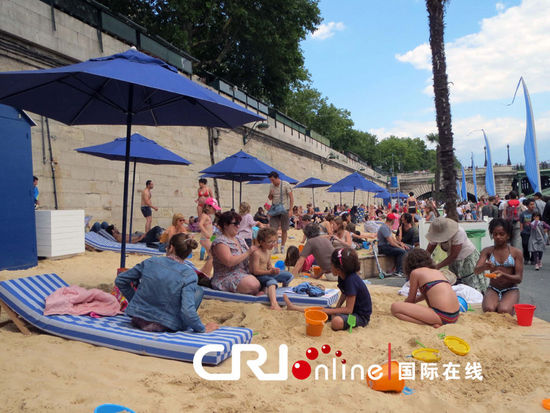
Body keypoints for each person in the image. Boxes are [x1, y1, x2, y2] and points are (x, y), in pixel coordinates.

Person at [115, 234, 218, 333]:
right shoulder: (189, 275)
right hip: (166, 324)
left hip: (137, 317)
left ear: (171, 247)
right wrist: (202, 328)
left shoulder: (151, 261)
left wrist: (135, 302)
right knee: (198, 291)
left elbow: (121, 280)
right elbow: (187, 310)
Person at [284, 248, 372, 331]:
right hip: (351, 312)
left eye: (331, 264)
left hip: (360, 316)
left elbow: (349, 309)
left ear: (338, 269)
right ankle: (294, 307)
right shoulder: (342, 276)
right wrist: (336, 308)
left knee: (336, 322)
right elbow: (344, 293)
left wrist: (332, 311)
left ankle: (335, 316)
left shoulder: (351, 280)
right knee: (320, 311)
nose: (330, 266)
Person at [391, 248, 460, 327]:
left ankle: (429, 324)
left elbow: (411, 300)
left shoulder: (415, 273)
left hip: (442, 316)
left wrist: (404, 305)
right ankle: (434, 322)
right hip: (454, 316)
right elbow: (427, 294)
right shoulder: (436, 272)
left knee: (395, 307)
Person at [425, 217, 488, 293]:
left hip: (467, 259)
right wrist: (424, 262)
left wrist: (437, 266)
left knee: (472, 286)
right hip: (454, 262)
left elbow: (453, 255)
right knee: (456, 286)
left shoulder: (459, 232)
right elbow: (429, 250)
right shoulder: (435, 234)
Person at [474, 218, 523, 314]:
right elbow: (476, 271)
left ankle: (506, 302)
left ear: (508, 235)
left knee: (504, 310)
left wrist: (503, 275)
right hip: (493, 288)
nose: (498, 237)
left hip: (511, 289)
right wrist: (484, 267)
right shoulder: (487, 251)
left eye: (501, 234)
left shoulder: (516, 253)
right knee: (489, 309)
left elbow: (519, 278)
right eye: (495, 234)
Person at [210, 211, 261, 294]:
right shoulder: (220, 242)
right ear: (225, 225)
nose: (238, 226)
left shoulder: (239, 239)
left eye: (239, 223)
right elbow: (229, 261)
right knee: (253, 284)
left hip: (244, 272)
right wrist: (248, 252)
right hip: (226, 276)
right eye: (235, 223)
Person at [249, 227, 293, 310]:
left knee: (288, 275)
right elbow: (255, 271)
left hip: (266, 273)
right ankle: (274, 303)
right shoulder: (257, 253)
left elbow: (269, 265)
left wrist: (273, 269)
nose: (273, 244)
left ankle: (282, 290)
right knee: (272, 281)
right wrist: (270, 272)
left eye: (274, 241)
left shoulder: (268, 251)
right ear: (261, 242)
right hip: (258, 277)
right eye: (270, 242)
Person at [267, 171, 294, 254]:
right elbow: (270, 198)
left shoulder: (285, 184)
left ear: (277, 178)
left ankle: (282, 246)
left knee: (284, 229)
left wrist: (291, 209)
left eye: (273, 180)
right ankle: (275, 247)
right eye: (271, 180)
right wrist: (270, 194)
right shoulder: (271, 186)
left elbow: (291, 198)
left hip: (284, 209)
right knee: (273, 229)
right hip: (275, 209)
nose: (272, 182)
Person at [198, 197, 221, 275]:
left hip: (208, 239)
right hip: (206, 239)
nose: (215, 210)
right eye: (214, 208)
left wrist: (213, 237)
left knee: (211, 257)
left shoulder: (208, 216)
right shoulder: (205, 215)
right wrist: (206, 233)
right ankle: (206, 274)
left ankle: (202, 271)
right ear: (208, 207)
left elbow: (210, 229)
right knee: (212, 257)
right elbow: (200, 225)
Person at [519, 198, 536, 265]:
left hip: (534, 232)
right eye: (531, 204)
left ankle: (533, 259)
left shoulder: (536, 213)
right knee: (525, 245)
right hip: (525, 232)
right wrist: (521, 230)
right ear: (527, 205)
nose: (532, 206)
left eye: (533, 204)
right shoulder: (523, 213)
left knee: (534, 246)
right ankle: (526, 258)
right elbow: (521, 222)